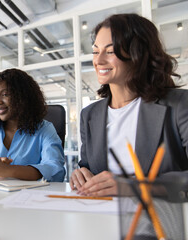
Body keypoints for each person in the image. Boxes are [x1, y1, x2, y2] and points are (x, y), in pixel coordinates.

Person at [69, 13, 188, 196]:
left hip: (162, 218)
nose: (98, 61)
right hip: (102, 215)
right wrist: (81, 175)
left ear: (137, 54)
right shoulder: (90, 115)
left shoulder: (179, 105)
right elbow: (88, 167)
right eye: (95, 51)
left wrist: (133, 187)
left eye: (110, 51)